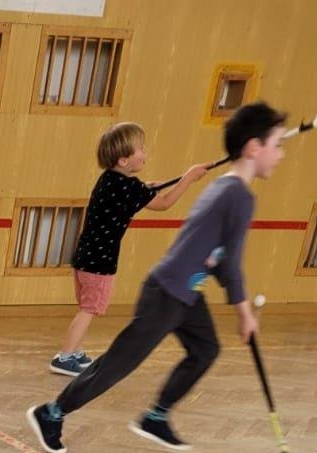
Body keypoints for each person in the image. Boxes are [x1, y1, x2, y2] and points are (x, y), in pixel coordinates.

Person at [28, 101, 286, 453]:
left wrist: (217, 272)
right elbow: (230, 262)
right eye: (277, 145)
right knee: (119, 363)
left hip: (187, 292)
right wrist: (244, 313)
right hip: (168, 293)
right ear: (253, 148)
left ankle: (157, 417)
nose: (281, 154)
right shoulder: (237, 196)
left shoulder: (224, 188)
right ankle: (52, 413)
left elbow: (213, 254)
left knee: (206, 349)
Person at [50, 121, 209, 376]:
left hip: (84, 257)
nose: (145, 152)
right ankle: (64, 357)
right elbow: (164, 203)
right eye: (141, 149)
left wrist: (149, 187)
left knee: (86, 308)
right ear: (124, 160)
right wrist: (188, 179)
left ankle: (75, 351)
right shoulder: (130, 188)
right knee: (89, 310)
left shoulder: (110, 180)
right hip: (100, 263)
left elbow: (141, 190)